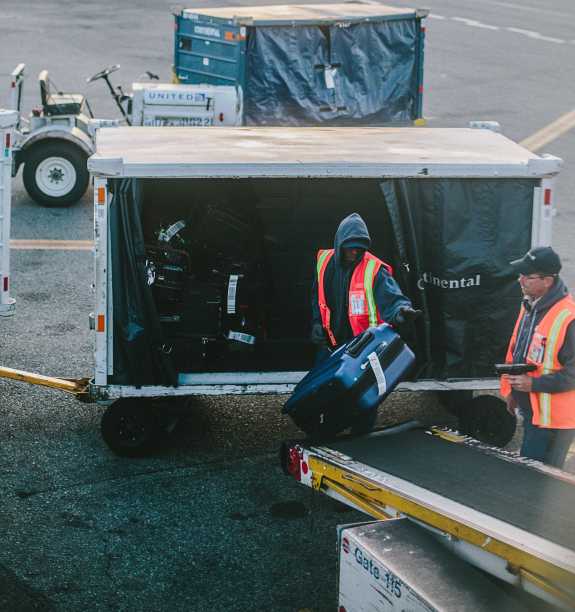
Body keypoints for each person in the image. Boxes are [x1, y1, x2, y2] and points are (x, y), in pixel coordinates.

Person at [500, 246, 575, 469]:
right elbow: (519, 352)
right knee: (530, 474)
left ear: (548, 281)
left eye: (527, 276)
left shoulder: (569, 318)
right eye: (520, 274)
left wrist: (533, 384)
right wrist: (513, 392)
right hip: (535, 413)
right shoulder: (530, 306)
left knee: (541, 482)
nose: (520, 280)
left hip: (555, 422)